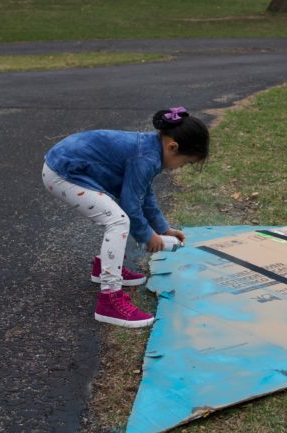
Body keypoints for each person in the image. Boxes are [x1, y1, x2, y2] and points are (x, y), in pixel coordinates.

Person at [42, 107, 209, 328]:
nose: (180, 167)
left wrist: (163, 229)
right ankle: (109, 300)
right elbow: (131, 205)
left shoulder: (152, 149)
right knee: (118, 220)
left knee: (116, 216)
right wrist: (147, 236)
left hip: (67, 164)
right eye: (185, 162)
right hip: (63, 172)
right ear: (173, 147)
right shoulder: (146, 158)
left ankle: (104, 268)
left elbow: (144, 194)